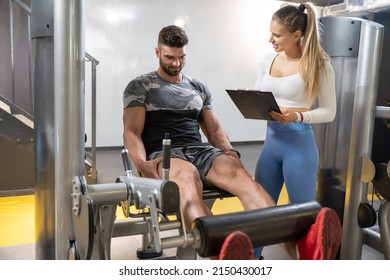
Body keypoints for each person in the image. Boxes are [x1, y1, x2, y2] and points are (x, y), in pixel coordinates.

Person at [122, 24, 340, 260]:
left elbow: (213, 129)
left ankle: (303, 249)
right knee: (186, 179)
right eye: (169, 58)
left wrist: (229, 152)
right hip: (166, 154)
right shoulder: (140, 86)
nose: (176, 64)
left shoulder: (198, 87)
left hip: (200, 151)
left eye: (181, 57)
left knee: (242, 178)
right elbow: (132, 132)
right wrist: (142, 164)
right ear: (157, 53)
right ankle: (223, 249)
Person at [253, 3, 338, 258]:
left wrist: (297, 116)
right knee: (258, 211)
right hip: (271, 145)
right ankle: (251, 262)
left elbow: (330, 111)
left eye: (277, 35)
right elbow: (258, 94)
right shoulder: (267, 59)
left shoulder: (319, 64)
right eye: (271, 33)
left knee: (303, 220)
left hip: (298, 148)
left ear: (297, 35)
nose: (271, 39)